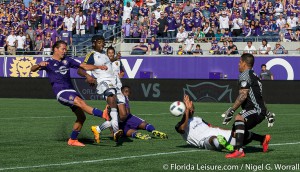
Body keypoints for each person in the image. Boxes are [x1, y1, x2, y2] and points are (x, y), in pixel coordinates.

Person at [30, 40, 108, 147]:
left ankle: (73, 139)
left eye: (66, 49)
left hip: (71, 91)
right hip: (61, 92)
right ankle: (104, 114)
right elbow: (32, 69)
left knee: (81, 117)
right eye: (63, 49)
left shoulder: (68, 60)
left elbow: (83, 66)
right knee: (80, 102)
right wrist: (39, 65)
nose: (65, 51)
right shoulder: (48, 63)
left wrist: (98, 67)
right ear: (55, 49)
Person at [221, 53, 275, 158]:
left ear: (244, 64)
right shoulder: (254, 75)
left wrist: (231, 110)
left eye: (240, 62)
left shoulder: (245, 75)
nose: (238, 64)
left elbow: (243, 95)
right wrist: (267, 113)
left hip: (255, 109)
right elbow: (259, 97)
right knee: (235, 134)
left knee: (238, 118)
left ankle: (239, 151)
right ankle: (263, 139)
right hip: (257, 109)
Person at [78, 35, 125, 142]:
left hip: (115, 83)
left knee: (123, 115)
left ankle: (98, 129)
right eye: (99, 42)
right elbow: (80, 69)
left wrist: (116, 58)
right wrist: (88, 76)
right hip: (104, 82)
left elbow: (110, 62)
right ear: (93, 43)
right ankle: (116, 130)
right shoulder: (91, 55)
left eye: (103, 42)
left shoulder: (105, 54)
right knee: (111, 97)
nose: (102, 44)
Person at [95, 85, 168, 141]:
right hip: (124, 119)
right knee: (139, 126)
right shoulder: (119, 99)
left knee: (141, 125)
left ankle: (150, 131)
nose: (127, 93)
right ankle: (144, 132)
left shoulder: (123, 98)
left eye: (128, 92)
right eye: (125, 91)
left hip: (124, 119)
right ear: (121, 92)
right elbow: (110, 115)